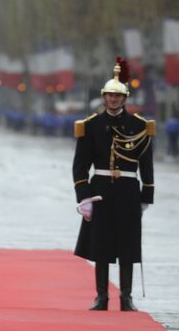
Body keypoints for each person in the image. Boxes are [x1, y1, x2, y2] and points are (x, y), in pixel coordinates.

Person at [73, 57, 155, 311]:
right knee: (101, 245)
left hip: (128, 191)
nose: (113, 100)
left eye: (117, 96)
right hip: (100, 191)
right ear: (103, 97)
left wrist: (146, 196)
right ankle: (101, 296)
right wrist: (84, 197)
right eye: (109, 96)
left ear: (125, 98)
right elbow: (80, 166)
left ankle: (126, 297)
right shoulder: (90, 126)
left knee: (128, 245)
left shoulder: (139, 126)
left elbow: (146, 164)